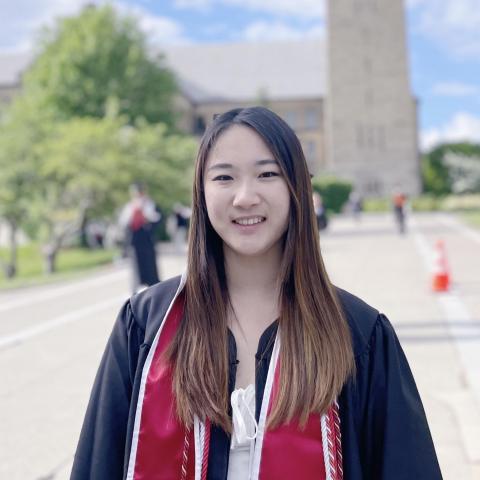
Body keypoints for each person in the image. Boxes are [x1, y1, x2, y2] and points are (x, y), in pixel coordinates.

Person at [71, 107, 442, 479]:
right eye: (224, 177)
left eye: (267, 174)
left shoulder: (359, 334)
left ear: (297, 186)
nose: (245, 197)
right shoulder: (146, 326)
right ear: (201, 192)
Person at [119, 183, 161, 293]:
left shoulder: (150, 204)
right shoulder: (129, 206)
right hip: (134, 241)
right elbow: (124, 222)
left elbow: (156, 218)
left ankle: (154, 286)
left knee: (150, 265)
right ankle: (136, 289)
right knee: (136, 266)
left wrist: (145, 213)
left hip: (147, 240)